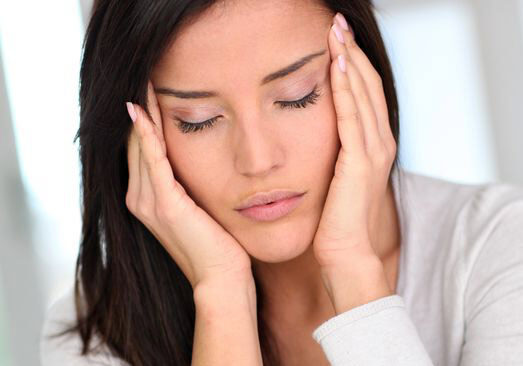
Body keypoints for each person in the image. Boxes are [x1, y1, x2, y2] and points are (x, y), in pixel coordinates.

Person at [40, 0, 523, 365]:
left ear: (365, 74)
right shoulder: (98, 328)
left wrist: (353, 267)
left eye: (296, 98)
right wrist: (221, 299)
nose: (258, 159)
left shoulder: (501, 251)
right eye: (198, 120)